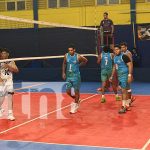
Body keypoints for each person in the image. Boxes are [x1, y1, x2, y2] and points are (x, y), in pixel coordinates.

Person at [62, 44, 88, 114]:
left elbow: (85, 60)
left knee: (76, 91)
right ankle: (77, 99)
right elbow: (64, 63)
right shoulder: (66, 55)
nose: (70, 51)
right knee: (68, 91)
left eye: (71, 50)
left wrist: (79, 65)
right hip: (68, 76)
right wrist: (63, 73)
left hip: (76, 76)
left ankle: (75, 106)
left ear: (74, 50)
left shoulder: (78, 56)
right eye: (69, 50)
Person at [110, 45, 133, 114]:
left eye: (117, 49)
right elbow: (115, 66)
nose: (115, 51)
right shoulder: (114, 57)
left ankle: (123, 107)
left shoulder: (124, 56)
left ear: (120, 50)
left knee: (123, 90)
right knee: (127, 89)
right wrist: (111, 76)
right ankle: (127, 104)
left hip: (125, 75)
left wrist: (129, 75)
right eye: (114, 50)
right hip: (120, 75)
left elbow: (130, 65)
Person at [0, 48, 19, 120]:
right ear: (1, 54)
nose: (4, 54)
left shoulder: (11, 61)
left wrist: (8, 66)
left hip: (9, 81)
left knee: (10, 97)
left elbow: (16, 70)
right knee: (1, 98)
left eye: (5, 53)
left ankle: (10, 114)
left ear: (8, 54)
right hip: (1, 82)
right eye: (3, 53)